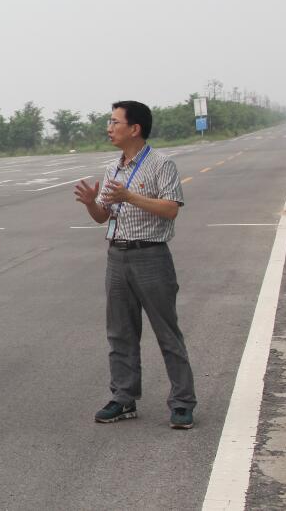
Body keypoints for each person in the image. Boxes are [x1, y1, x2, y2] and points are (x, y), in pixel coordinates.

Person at [73, 100, 197, 430]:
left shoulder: (161, 164)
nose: (109, 128)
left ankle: (182, 402)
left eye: (115, 122)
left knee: (167, 332)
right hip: (117, 256)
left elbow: (171, 209)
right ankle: (123, 397)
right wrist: (91, 204)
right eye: (109, 122)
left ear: (135, 128)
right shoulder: (113, 169)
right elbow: (103, 216)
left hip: (151, 256)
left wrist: (130, 197)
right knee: (120, 333)